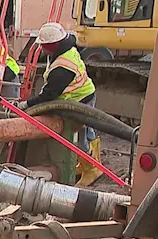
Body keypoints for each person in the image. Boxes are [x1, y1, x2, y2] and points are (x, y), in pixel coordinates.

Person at [16, 22, 102, 187]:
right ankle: (88, 165)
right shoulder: (65, 49)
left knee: (81, 135)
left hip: (80, 100)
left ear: (52, 45)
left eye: (43, 45)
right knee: (88, 131)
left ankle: (91, 169)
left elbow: (49, 95)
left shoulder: (62, 67)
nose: (41, 48)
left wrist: (26, 104)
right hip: (83, 93)